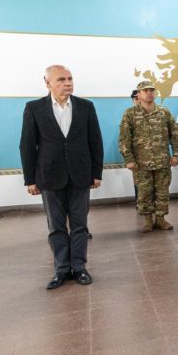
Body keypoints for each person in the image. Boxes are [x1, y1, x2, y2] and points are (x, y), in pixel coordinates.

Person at [20, 65, 103, 289]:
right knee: (56, 227)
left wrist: (96, 173)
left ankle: (79, 268)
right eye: (61, 79)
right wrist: (30, 179)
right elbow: (27, 145)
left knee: (80, 226)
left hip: (80, 176)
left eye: (70, 78)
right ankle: (61, 270)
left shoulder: (86, 107)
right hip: (48, 177)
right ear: (47, 83)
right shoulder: (34, 108)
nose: (68, 83)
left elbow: (95, 141)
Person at [118, 80, 178, 233]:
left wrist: (176, 154)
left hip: (162, 161)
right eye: (145, 90)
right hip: (141, 163)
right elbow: (124, 139)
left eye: (151, 90)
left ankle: (161, 219)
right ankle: (148, 220)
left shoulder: (164, 112)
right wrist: (128, 159)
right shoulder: (130, 114)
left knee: (162, 191)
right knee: (144, 192)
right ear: (139, 94)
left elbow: (174, 134)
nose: (149, 93)